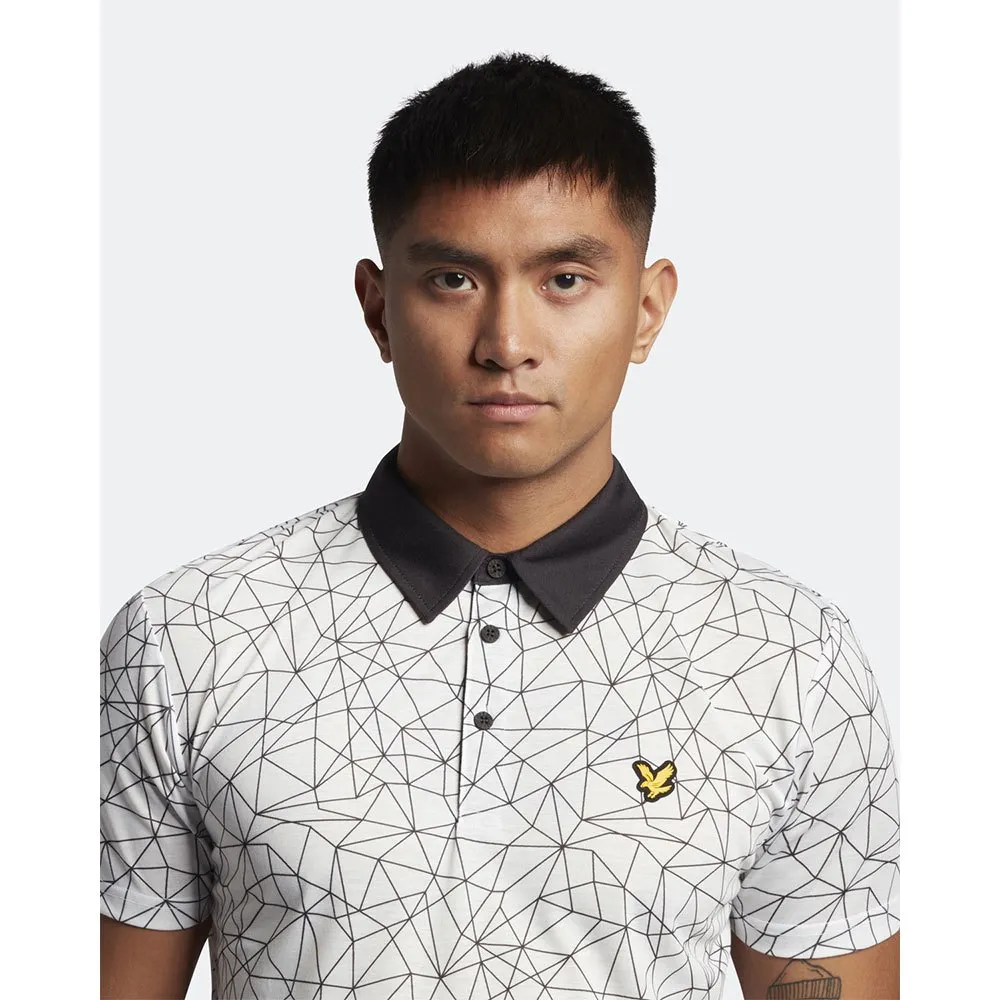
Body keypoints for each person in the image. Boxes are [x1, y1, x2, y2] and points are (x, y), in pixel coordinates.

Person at [100, 52, 900, 1000]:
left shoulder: (791, 657)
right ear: (377, 308)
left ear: (647, 310)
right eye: (451, 278)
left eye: (564, 278)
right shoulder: (187, 637)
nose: (506, 343)